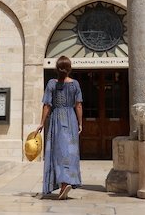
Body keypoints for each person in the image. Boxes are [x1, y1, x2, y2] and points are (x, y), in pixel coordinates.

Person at [36, 55, 83, 200]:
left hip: (57, 118)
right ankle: (66, 181)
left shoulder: (51, 83)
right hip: (71, 119)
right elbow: (79, 105)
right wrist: (80, 123)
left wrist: (42, 123)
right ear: (69, 69)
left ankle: (64, 182)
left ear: (57, 68)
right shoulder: (75, 84)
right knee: (70, 152)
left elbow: (47, 105)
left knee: (58, 151)